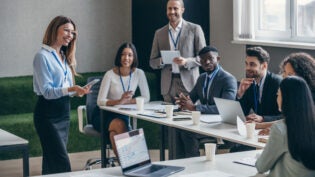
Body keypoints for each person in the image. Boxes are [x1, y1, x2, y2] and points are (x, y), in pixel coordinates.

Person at [33, 16, 90, 174]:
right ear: (54, 29)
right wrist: (72, 89)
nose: (69, 35)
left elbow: (65, 89)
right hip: (47, 114)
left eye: (72, 32)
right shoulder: (42, 56)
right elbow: (48, 92)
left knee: (52, 159)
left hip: (63, 112)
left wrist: (77, 91)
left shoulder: (65, 57)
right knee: (61, 160)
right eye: (66, 30)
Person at [174, 46, 237, 158]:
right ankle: (179, 165)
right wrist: (183, 101)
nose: (206, 62)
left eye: (210, 58)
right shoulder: (202, 78)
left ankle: (193, 166)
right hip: (204, 122)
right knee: (177, 129)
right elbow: (191, 98)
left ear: (218, 59)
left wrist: (195, 108)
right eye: (203, 60)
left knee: (188, 133)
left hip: (221, 125)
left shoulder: (228, 79)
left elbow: (223, 109)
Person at [97, 42, 150, 156]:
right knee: (120, 125)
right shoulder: (109, 74)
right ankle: (136, 162)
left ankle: (129, 166)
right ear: (119, 56)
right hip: (105, 114)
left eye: (130, 55)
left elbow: (146, 97)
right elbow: (100, 101)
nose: (126, 58)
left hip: (124, 114)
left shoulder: (139, 73)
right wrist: (119, 102)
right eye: (123, 54)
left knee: (114, 135)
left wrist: (129, 101)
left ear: (134, 57)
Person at [255, 76, 315, 177]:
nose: (277, 97)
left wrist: (260, 157)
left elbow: (261, 167)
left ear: (286, 98)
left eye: (278, 94)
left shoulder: (281, 128)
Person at [150, 0, 206, 103]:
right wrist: (162, 60)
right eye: (169, 8)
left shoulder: (195, 29)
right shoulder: (159, 33)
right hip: (168, 86)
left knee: (188, 117)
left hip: (189, 85)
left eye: (175, 8)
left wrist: (186, 61)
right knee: (166, 118)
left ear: (182, 10)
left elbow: (204, 58)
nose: (172, 11)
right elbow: (152, 62)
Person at [257, 52, 315, 135]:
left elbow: (302, 123)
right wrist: (258, 125)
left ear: (304, 75)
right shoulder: (295, 93)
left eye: (290, 74)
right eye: (284, 74)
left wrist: (279, 130)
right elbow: (290, 119)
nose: (285, 79)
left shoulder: (309, 96)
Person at [237, 46, 282, 123]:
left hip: (272, 128)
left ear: (264, 66)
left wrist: (263, 119)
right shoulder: (249, 83)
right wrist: (240, 94)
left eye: (252, 64)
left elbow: (286, 116)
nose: (247, 68)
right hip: (256, 128)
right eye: (246, 64)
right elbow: (242, 113)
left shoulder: (277, 83)